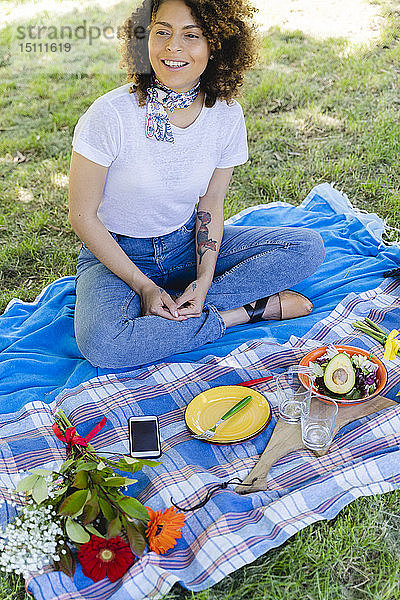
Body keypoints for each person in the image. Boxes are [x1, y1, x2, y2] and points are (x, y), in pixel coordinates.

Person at [68, 0, 325, 370]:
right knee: (103, 346)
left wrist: (204, 280)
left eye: (192, 35)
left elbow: (210, 205)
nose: (173, 47)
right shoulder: (109, 116)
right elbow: (82, 216)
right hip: (116, 256)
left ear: (216, 46)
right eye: (162, 32)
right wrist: (143, 286)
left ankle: (184, 306)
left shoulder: (226, 115)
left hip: (185, 242)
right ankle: (241, 313)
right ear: (144, 38)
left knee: (307, 247)